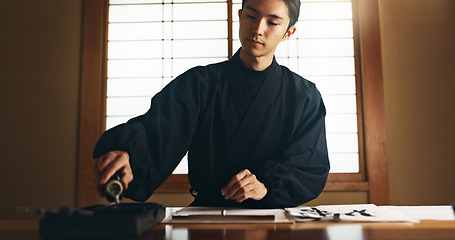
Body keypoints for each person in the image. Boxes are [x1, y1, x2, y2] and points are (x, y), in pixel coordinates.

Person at [93, 0, 330, 209]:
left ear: (288, 32)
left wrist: (265, 186)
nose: (258, 29)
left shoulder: (304, 96)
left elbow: (309, 166)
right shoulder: (200, 84)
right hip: (206, 213)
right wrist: (128, 153)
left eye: (272, 22)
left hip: (272, 218)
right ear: (239, 16)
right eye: (251, 16)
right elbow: (159, 130)